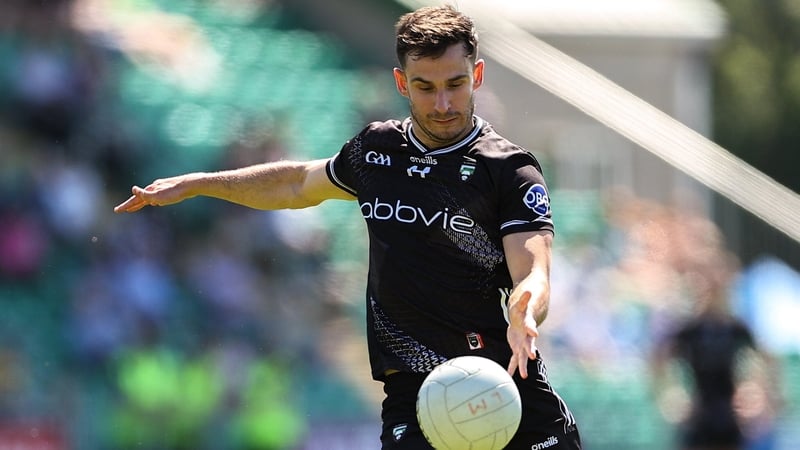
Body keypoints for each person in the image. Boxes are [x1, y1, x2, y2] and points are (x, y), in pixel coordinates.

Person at [115, 5, 582, 449]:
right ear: (402, 82)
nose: (442, 103)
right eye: (425, 87)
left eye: (455, 84)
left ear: (476, 76)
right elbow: (297, 183)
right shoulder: (377, 151)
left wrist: (525, 308)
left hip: (503, 382)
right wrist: (201, 183)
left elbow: (533, 268)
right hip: (417, 395)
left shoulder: (508, 169)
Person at [652, 249, 775, 450]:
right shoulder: (689, 330)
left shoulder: (736, 328)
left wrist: (761, 393)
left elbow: (767, 357)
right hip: (698, 415)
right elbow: (658, 359)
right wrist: (669, 395)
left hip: (729, 416)